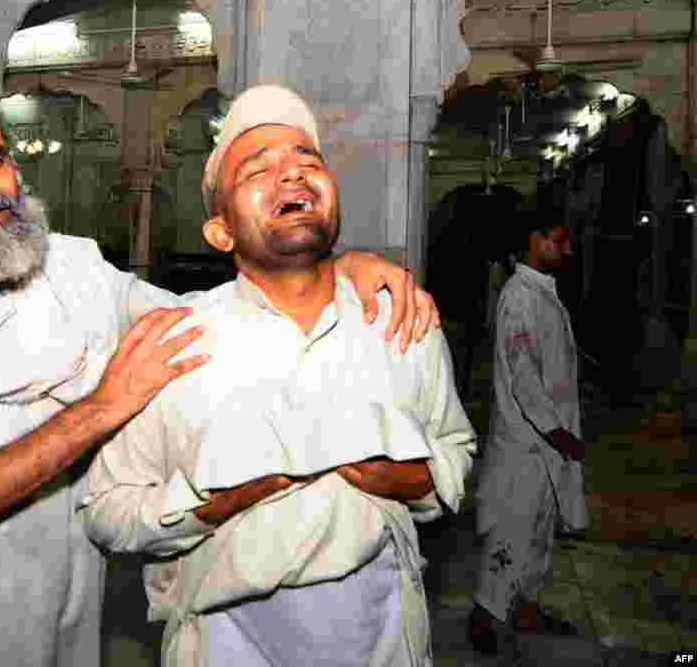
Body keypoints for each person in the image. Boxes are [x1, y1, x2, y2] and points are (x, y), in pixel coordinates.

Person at [0, 75, 439, 667]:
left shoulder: (72, 272)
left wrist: (324, 263)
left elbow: (218, 319)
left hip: (56, 624)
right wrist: (106, 404)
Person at [81, 85, 477, 666]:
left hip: (386, 634)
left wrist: (416, 483)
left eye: (307, 161)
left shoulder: (400, 319)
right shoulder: (174, 342)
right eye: (258, 171)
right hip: (227, 641)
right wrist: (208, 506)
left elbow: (456, 449)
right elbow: (107, 511)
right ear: (220, 231)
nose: (291, 175)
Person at [469, 209, 587, 653]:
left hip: (546, 446)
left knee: (539, 533)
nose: (567, 249)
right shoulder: (520, 296)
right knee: (511, 535)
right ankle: (484, 620)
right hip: (526, 444)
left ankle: (526, 608)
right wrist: (556, 430)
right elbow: (522, 374)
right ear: (536, 241)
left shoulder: (543, 294)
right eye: (559, 240)